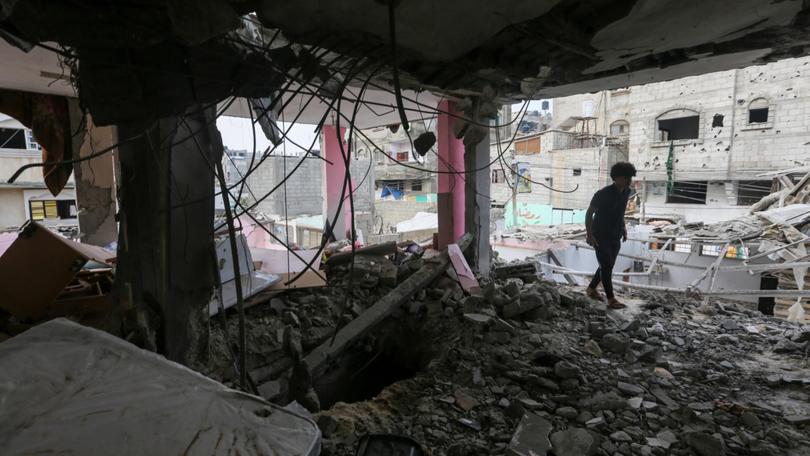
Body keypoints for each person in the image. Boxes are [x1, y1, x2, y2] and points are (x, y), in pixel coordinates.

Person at [585, 162, 637, 309]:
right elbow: (589, 214)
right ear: (617, 177)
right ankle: (611, 299)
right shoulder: (602, 194)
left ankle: (591, 289)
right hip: (600, 235)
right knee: (606, 266)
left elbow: (620, 213)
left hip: (616, 235)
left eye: (630, 177)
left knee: (607, 265)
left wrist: (624, 229)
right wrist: (590, 235)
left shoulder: (627, 191)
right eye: (627, 177)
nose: (629, 180)